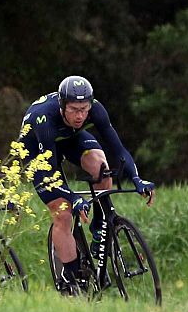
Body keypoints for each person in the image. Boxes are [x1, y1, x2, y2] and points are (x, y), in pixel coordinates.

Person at [20, 76, 155, 293]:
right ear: (63, 105)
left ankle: (100, 229)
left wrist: (137, 179)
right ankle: (70, 276)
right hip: (39, 149)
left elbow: (119, 150)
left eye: (84, 109)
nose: (80, 115)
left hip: (69, 139)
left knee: (102, 168)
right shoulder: (44, 117)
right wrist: (72, 198)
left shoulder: (96, 110)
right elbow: (50, 172)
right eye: (74, 109)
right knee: (62, 212)